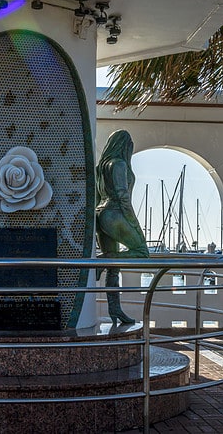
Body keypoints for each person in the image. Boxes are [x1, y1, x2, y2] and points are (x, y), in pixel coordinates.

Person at [95, 130, 148, 324]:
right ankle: (105, 259)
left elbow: (96, 197)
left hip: (101, 215)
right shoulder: (118, 164)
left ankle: (115, 310)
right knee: (142, 252)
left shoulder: (100, 167)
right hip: (114, 213)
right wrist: (133, 221)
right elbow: (122, 196)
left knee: (114, 268)